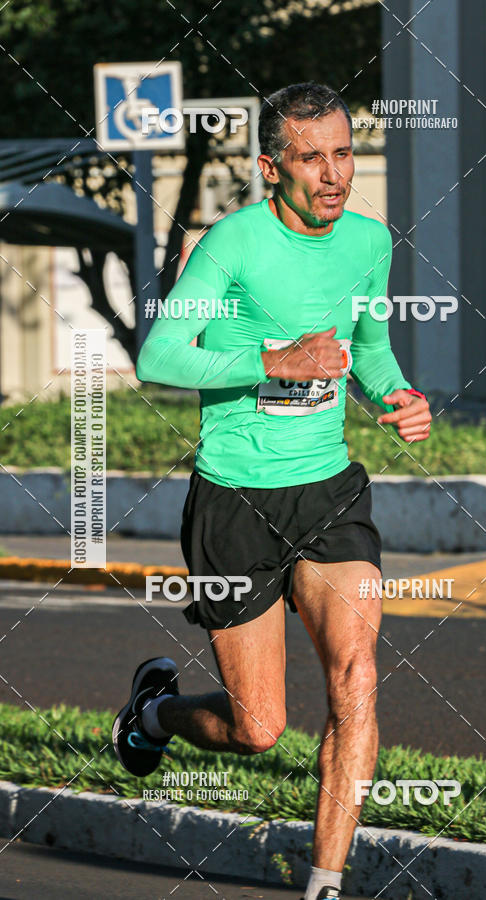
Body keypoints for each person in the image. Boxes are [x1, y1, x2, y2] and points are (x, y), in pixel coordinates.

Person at [112, 81, 432, 900]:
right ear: (271, 166)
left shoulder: (367, 241)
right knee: (258, 728)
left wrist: (393, 396)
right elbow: (160, 359)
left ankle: (325, 883)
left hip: (327, 491)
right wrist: (274, 361)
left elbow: (369, 345)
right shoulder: (233, 245)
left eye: (342, 153)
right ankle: (152, 714)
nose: (332, 175)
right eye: (310, 156)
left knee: (355, 674)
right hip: (234, 501)